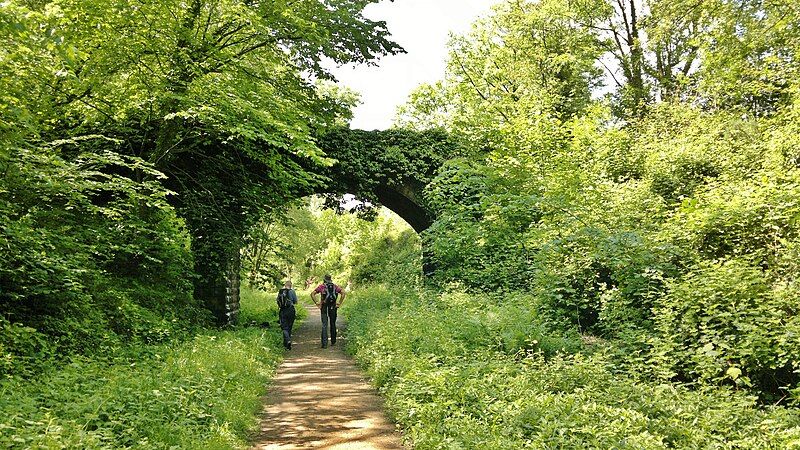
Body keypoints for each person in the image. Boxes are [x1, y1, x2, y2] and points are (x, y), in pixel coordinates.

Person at [310, 274, 345, 348]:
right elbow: (343, 293)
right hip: (333, 306)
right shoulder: (335, 286)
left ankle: (324, 343)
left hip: (324, 306)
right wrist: (339, 303)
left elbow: (312, 294)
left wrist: (317, 303)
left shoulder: (321, 287)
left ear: (324, 279)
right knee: (333, 323)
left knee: (324, 324)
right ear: (330, 279)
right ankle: (333, 341)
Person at [277, 280, 298, 350]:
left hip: (282, 311)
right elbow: (296, 302)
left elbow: (278, 301)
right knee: (289, 326)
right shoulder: (292, 292)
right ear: (290, 285)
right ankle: (288, 340)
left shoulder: (280, 292)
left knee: (284, 327)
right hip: (291, 310)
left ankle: (286, 342)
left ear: (285, 285)